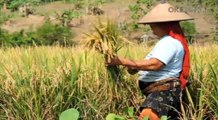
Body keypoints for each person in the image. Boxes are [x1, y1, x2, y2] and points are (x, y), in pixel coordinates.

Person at [106, 1, 194, 120]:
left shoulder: (169, 42)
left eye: (153, 25)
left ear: (163, 25)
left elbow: (155, 64)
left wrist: (121, 61)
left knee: (147, 116)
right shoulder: (167, 41)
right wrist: (134, 67)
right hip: (159, 91)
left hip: (164, 92)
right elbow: (151, 64)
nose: (151, 28)